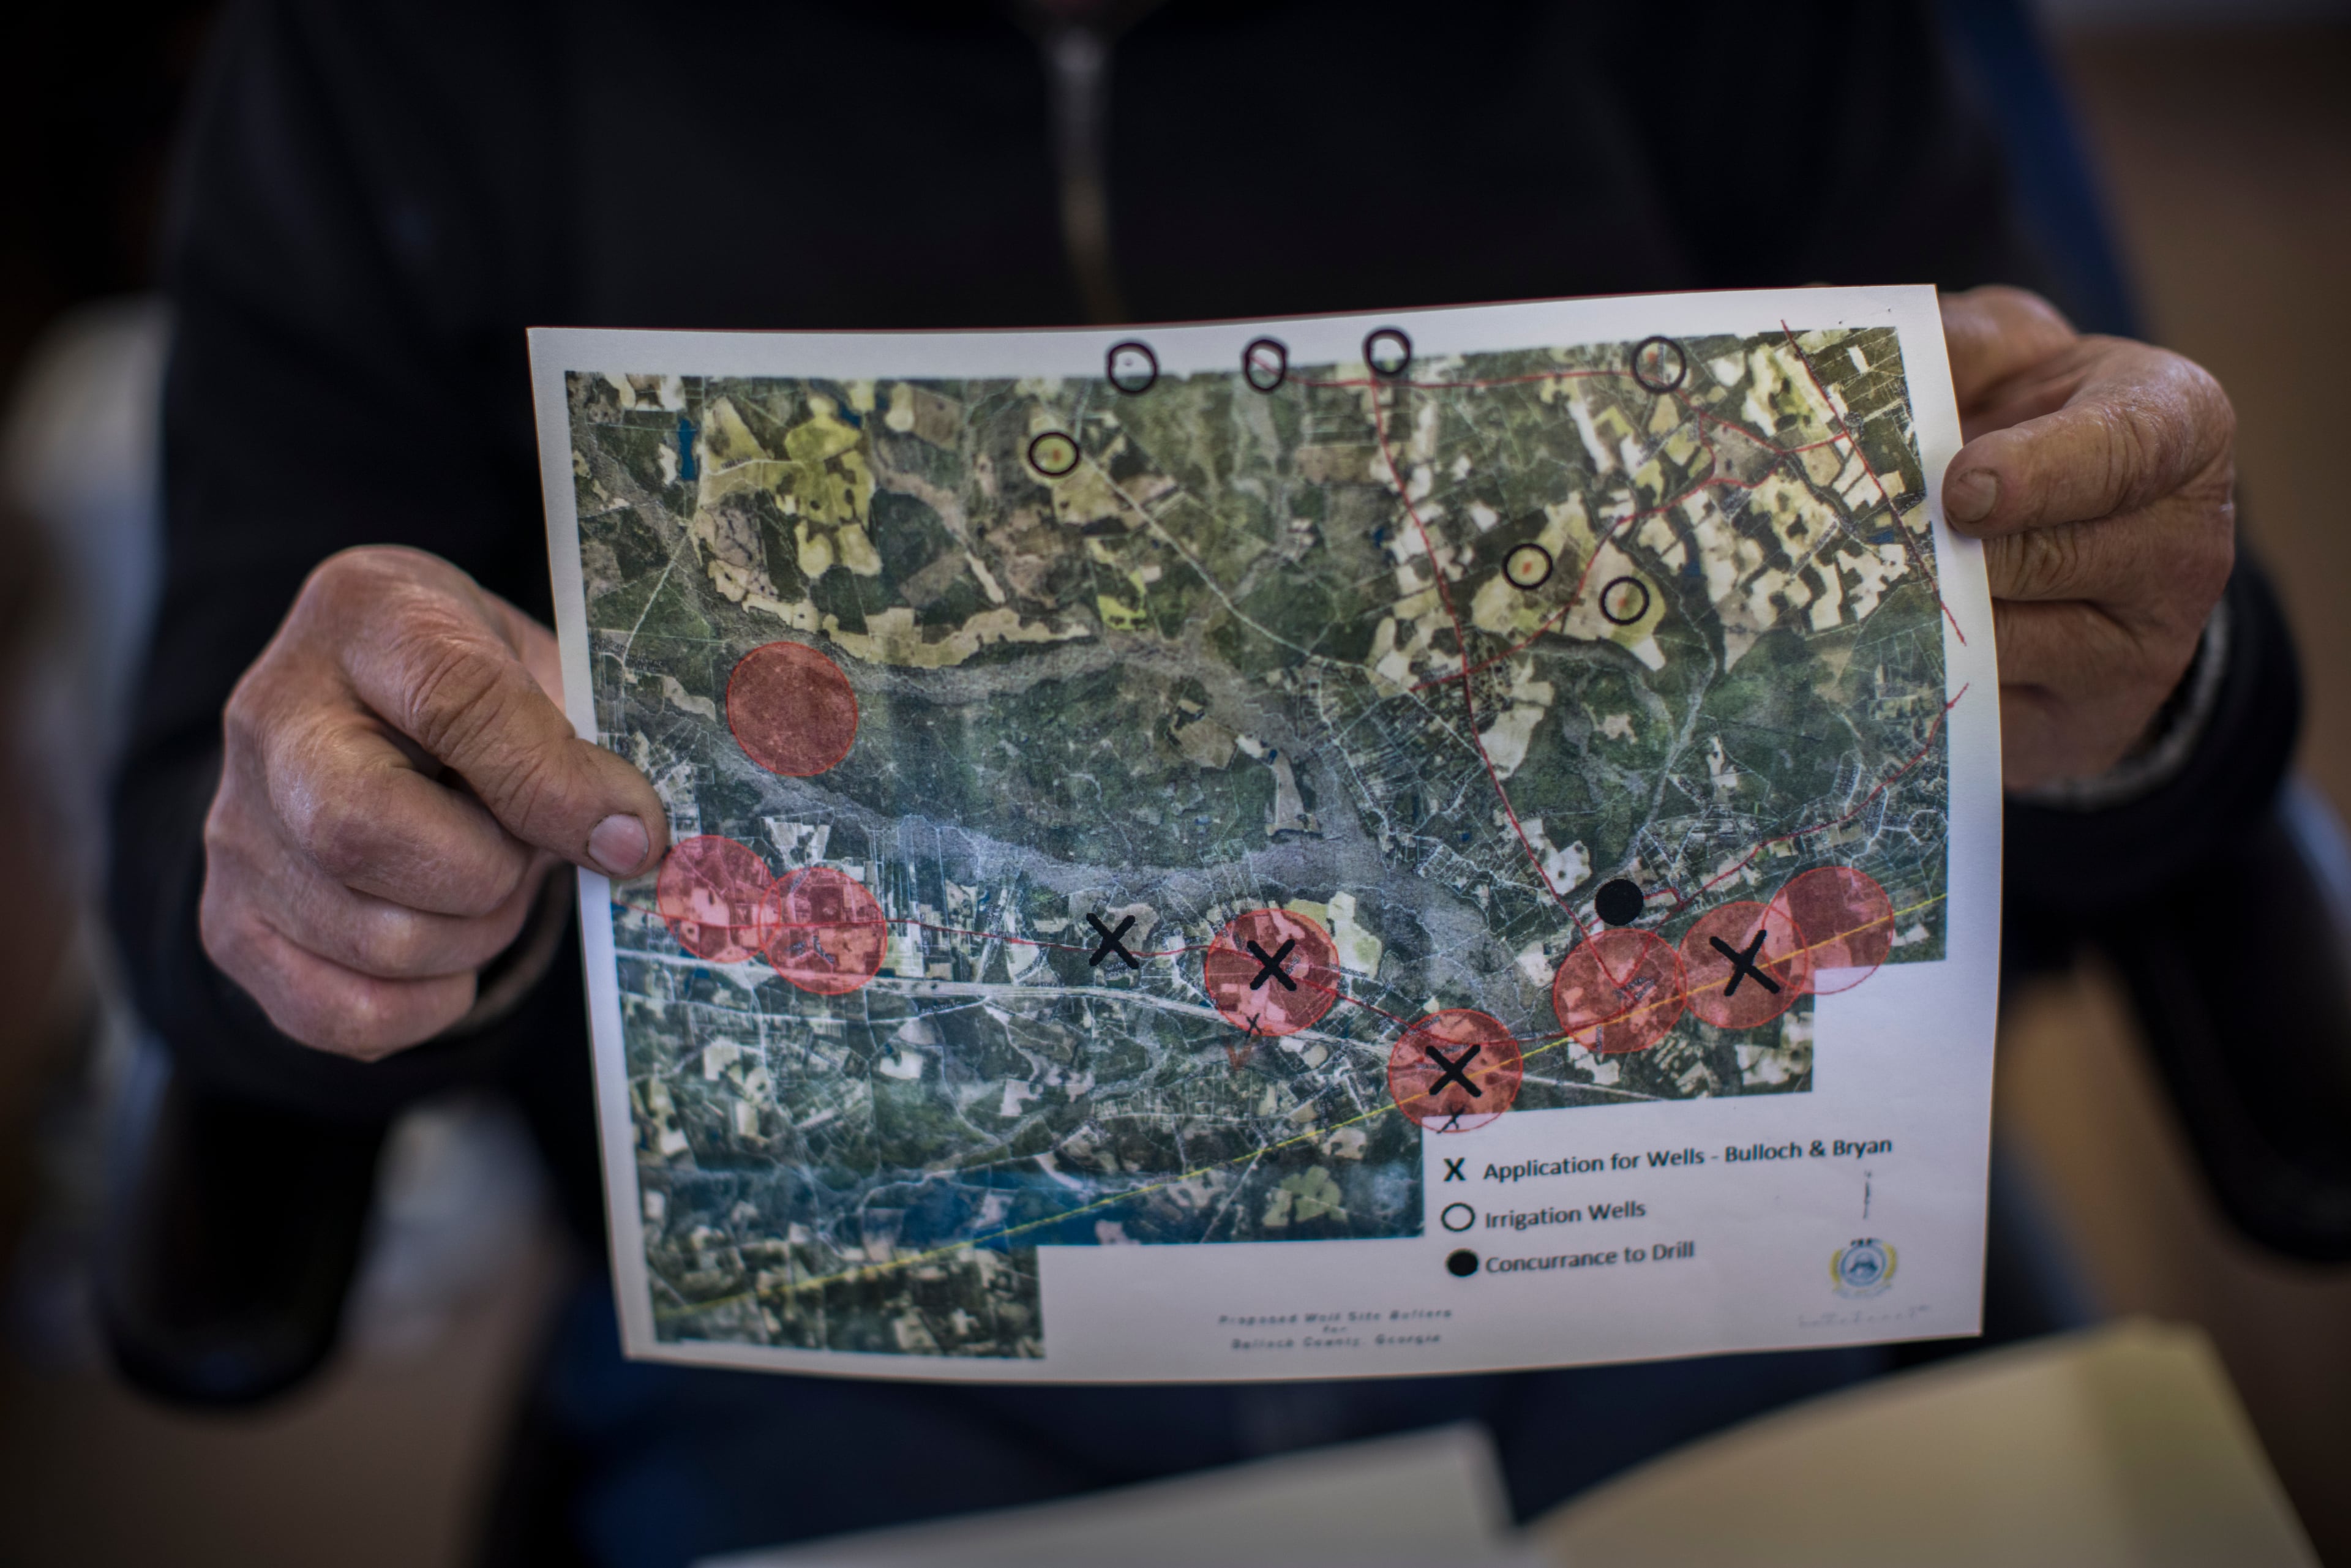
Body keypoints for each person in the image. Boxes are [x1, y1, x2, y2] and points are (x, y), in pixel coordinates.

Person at [108, 1, 2292, 1562]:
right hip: (878, 1365)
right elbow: (199, 863)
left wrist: (2145, 683)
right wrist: (348, 871)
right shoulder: (395, 56)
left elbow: (2122, 650)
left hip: (1680, 1274)